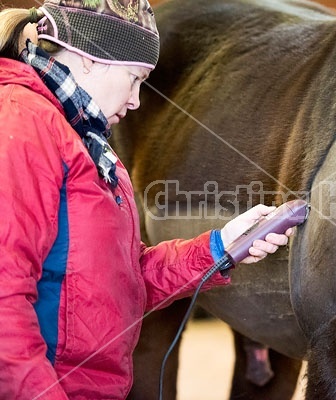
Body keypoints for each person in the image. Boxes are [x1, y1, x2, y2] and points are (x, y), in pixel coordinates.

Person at [0, 0, 293, 398]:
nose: (137, 100)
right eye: (135, 78)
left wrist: (223, 245)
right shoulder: (22, 122)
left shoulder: (86, 141)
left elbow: (121, 278)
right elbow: (5, 304)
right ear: (91, 58)